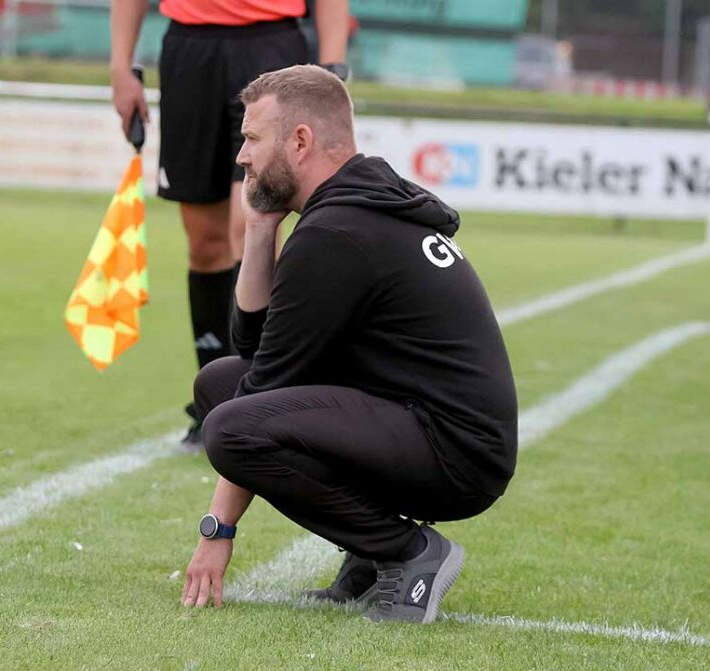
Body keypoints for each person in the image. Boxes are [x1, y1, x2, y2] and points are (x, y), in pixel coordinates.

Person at [180, 65, 518, 623]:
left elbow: (262, 390)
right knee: (217, 384)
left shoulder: (337, 233)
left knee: (229, 424)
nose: (241, 156)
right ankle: (368, 556)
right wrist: (261, 230)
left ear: (301, 141)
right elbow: (252, 344)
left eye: (252, 139)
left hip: (454, 452)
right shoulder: (351, 209)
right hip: (423, 425)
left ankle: (408, 553)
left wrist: (218, 528)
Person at [109, 0, 350, 445]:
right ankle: (213, 403)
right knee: (204, 241)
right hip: (189, 50)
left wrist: (332, 69)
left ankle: (259, 397)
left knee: (252, 223)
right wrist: (120, 66)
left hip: (272, 45)